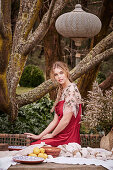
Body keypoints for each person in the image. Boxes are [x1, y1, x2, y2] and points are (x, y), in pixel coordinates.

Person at [25, 61, 82, 147]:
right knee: (34, 146)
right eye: (56, 74)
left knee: (35, 148)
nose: (59, 76)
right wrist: (39, 136)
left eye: (61, 73)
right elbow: (55, 120)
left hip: (68, 138)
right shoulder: (61, 91)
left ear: (66, 71)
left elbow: (66, 120)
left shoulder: (72, 90)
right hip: (60, 135)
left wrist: (52, 135)